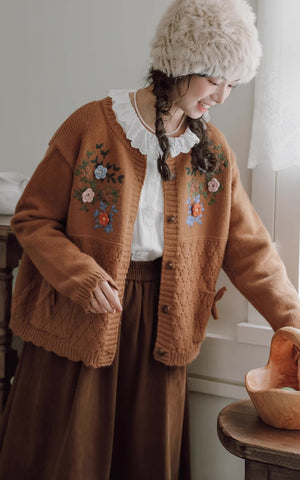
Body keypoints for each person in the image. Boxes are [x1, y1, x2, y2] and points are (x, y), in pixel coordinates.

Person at [0, 0, 300, 478]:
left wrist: (295, 322)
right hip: (84, 311)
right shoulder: (91, 125)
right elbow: (32, 217)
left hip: (165, 319)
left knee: (145, 458)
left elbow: (251, 253)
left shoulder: (212, 153)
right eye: (213, 78)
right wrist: (78, 274)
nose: (222, 96)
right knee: (72, 455)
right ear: (179, 61)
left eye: (232, 84)